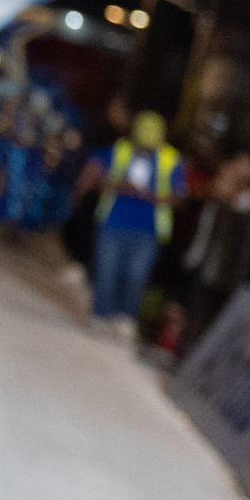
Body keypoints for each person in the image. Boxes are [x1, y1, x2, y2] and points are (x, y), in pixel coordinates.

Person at [77, 109, 181, 336]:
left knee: (136, 276)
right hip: (113, 222)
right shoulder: (120, 150)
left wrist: (148, 194)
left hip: (148, 229)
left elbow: (178, 196)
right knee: (106, 271)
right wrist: (122, 186)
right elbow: (98, 179)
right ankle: (100, 315)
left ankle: (125, 318)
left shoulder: (170, 159)